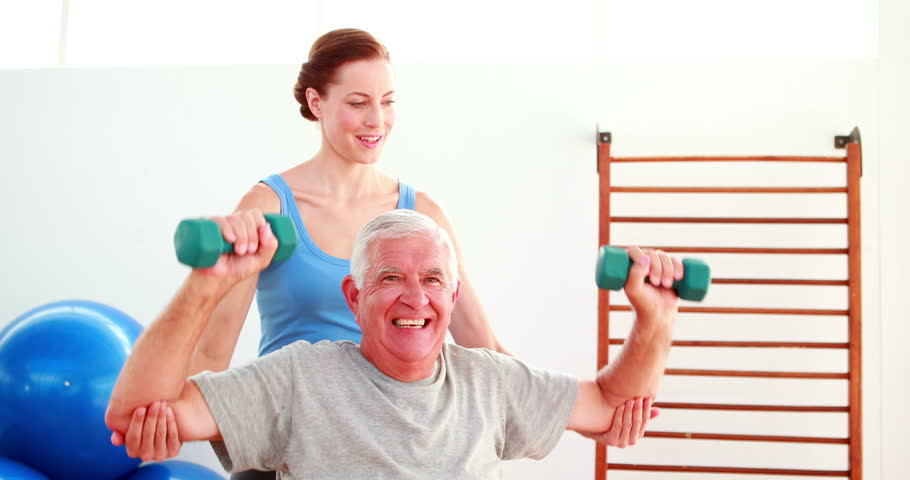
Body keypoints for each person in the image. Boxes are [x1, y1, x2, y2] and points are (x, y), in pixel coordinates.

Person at [105, 210, 680, 478]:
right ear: (353, 297)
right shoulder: (299, 377)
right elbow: (137, 415)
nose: (415, 298)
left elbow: (609, 405)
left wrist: (654, 319)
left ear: (452, 296)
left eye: (432, 280)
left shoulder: (490, 381)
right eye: (390, 279)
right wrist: (208, 284)